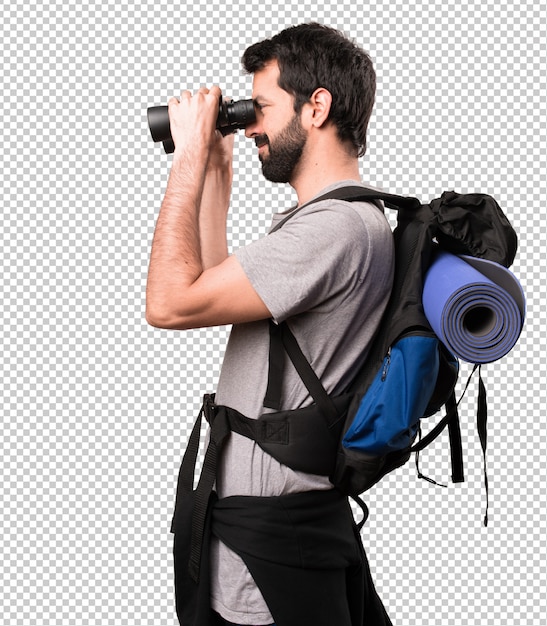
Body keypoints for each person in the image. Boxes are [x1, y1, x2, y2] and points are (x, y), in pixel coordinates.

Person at [146, 23, 394, 626]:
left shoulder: (332, 231)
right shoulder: (334, 222)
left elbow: (170, 304)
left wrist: (184, 159)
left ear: (317, 107)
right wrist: (213, 172)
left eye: (259, 108)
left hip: (271, 554)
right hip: (273, 534)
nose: (250, 123)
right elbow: (206, 289)